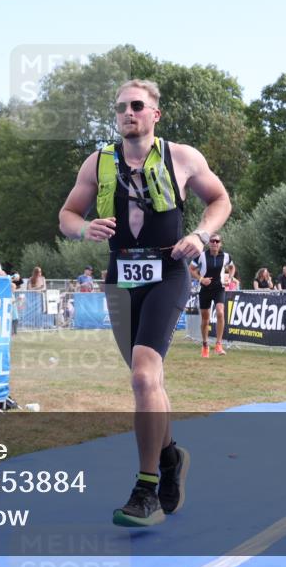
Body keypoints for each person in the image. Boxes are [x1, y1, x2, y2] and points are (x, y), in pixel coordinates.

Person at [58, 78, 231, 527]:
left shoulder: (183, 157)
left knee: (142, 374)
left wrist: (199, 234)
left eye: (137, 106)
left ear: (155, 113)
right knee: (146, 384)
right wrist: (83, 229)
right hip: (121, 275)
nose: (127, 113)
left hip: (168, 269)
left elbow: (219, 200)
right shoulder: (98, 162)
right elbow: (67, 214)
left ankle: (146, 488)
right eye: (120, 108)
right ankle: (171, 456)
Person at [189, 233, 230, 357]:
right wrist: (201, 279)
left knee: (220, 312)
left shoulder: (226, 256)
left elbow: (232, 267)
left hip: (219, 289)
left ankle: (218, 345)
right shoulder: (201, 256)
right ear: (209, 243)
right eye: (212, 241)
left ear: (220, 243)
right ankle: (205, 345)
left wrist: (230, 278)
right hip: (205, 289)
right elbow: (191, 269)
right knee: (205, 319)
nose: (215, 243)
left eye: (217, 241)